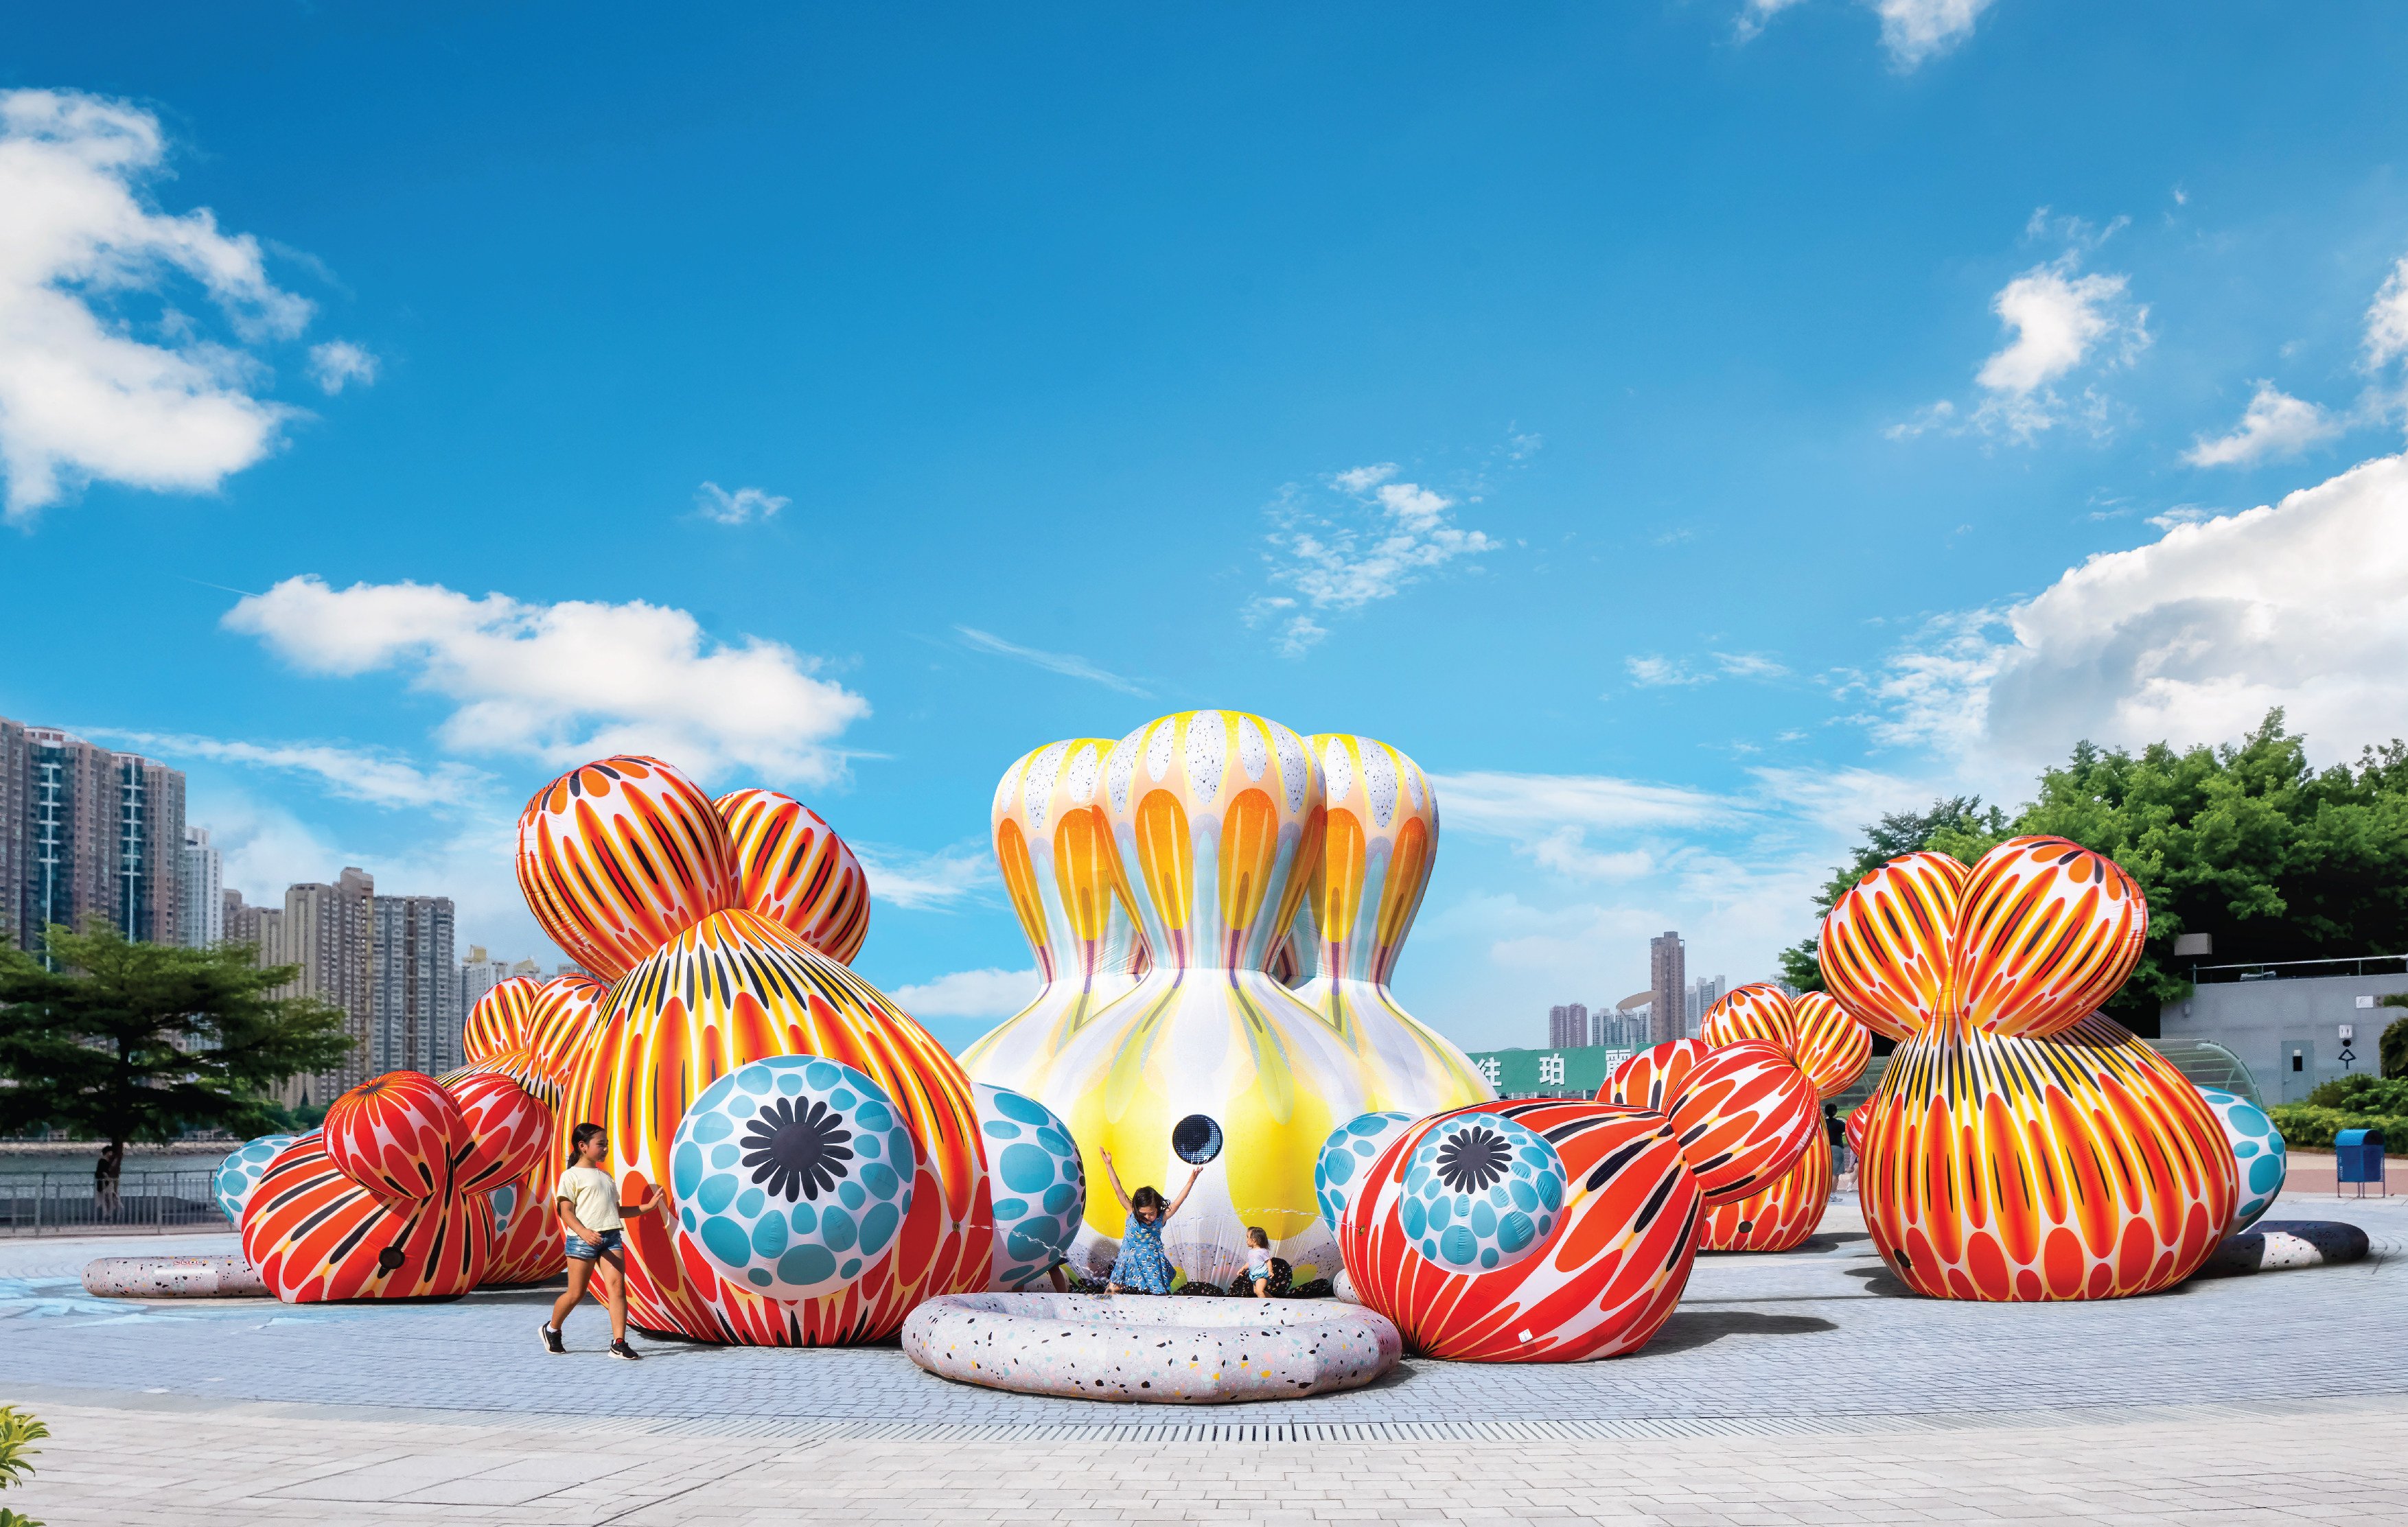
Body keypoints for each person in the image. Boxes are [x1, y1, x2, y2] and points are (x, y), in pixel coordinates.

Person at [542, 1123, 664, 1360]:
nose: (606, 1148)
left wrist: (646, 1208)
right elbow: (565, 1211)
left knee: (617, 1289)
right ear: (583, 1146)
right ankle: (552, 1329)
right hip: (582, 1240)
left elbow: (615, 1210)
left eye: (606, 1144)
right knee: (576, 1293)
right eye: (601, 1144)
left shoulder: (605, 1176)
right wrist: (584, 1232)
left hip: (611, 1237)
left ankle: (619, 1343)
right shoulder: (571, 1176)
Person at [1098, 1148, 1202, 1294]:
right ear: (1136, 1209)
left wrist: (1190, 1182)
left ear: (1157, 1208)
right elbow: (1118, 1189)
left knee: (1158, 1294)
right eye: (1143, 1214)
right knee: (1112, 1291)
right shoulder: (1131, 1212)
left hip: (1151, 1263)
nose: (1147, 1217)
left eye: (1151, 1213)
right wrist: (1108, 1165)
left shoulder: (1161, 1218)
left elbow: (1179, 1201)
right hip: (1128, 1260)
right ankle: (1103, 1314)